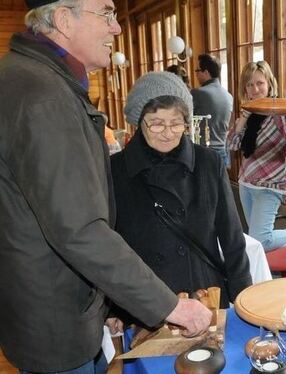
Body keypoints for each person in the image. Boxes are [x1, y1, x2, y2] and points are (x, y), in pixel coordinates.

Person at [0, 0, 212, 373]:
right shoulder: (45, 97)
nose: (116, 29)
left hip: (51, 308)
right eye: (107, 13)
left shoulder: (28, 78)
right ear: (65, 19)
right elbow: (79, 229)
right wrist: (171, 306)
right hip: (56, 322)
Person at [111, 71, 252, 307]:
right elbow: (110, 248)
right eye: (156, 123)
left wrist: (243, 297)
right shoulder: (116, 170)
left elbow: (232, 238)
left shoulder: (208, 163)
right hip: (148, 301)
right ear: (138, 121)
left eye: (176, 123)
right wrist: (113, 307)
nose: (168, 133)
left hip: (204, 294)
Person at [228, 61, 286, 252]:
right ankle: (270, 279)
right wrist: (243, 119)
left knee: (260, 239)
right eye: (249, 84)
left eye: (259, 83)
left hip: (271, 187)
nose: (255, 89)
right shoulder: (250, 113)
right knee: (258, 244)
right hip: (246, 184)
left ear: (269, 84)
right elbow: (232, 145)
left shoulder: (283, 112)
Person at [191, 54, 233, 166]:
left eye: (197, 70)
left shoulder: (198, 93)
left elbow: (185, 119)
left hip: (204, 153)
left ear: (206, 72)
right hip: (223, 152)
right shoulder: (228, 96)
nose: (196, 74)